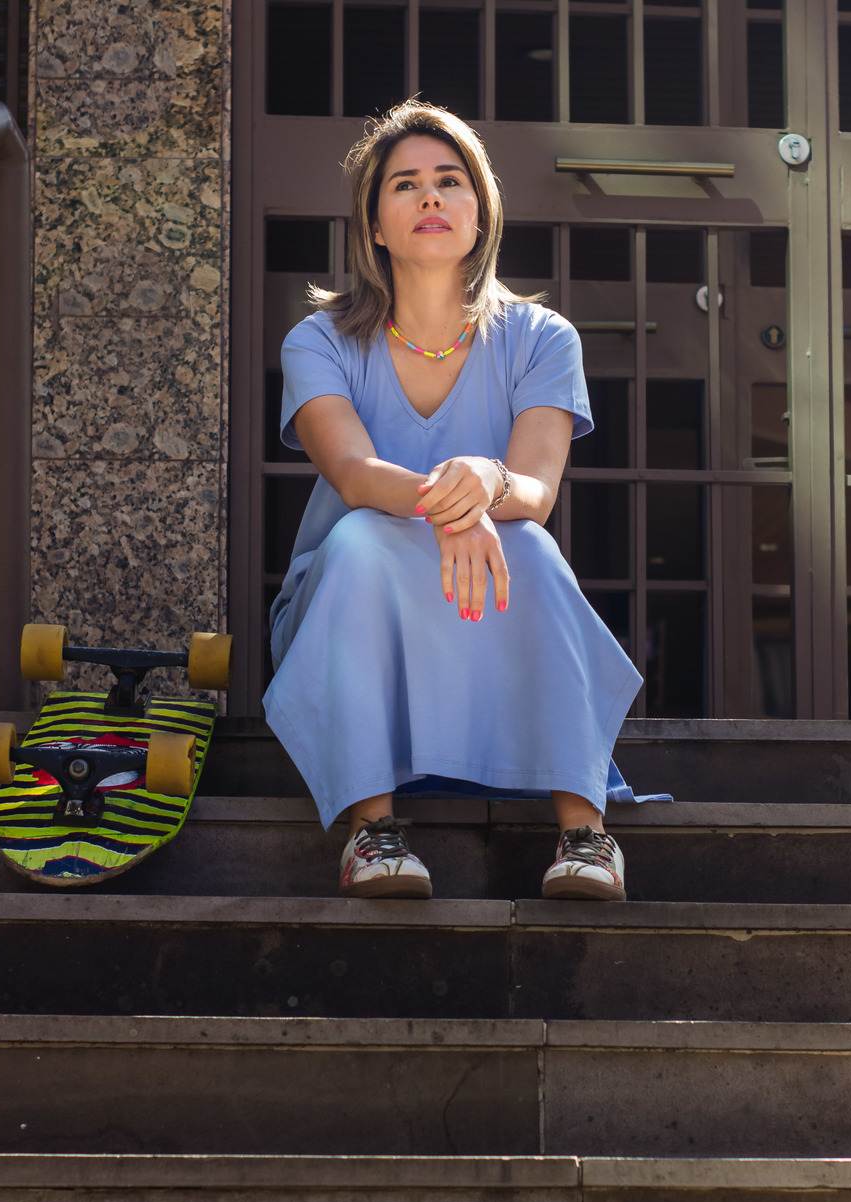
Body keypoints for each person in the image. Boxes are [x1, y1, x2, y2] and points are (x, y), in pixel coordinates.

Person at [263, 99, 651, 902]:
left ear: (480, 211)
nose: (430, 196)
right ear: (375, 224)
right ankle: (373, 832)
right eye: (404, 184)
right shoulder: (319, 339)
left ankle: (585, 835)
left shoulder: (542, 338)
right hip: (345, 599)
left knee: (531, 545)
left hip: (479, 595)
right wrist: (460, 505)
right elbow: (354, 475)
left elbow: (534, 492)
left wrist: (491, 481)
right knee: (361, 539)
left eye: (450, 180)